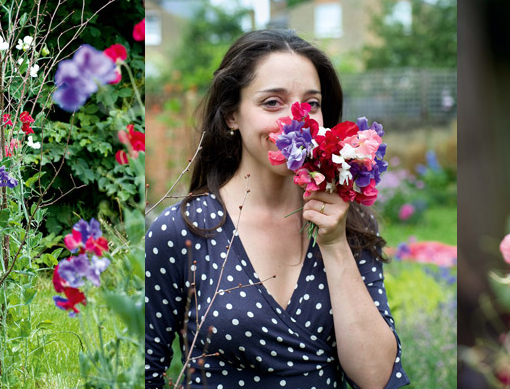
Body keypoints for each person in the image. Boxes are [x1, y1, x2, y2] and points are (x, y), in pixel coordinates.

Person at [137, 30, 409, 388]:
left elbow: (376, 377)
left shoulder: (349, 223)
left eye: (311, 104)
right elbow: (145, 372)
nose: (297, 120)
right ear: (232, 115)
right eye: (272, 103)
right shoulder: (181, 231)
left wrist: (334, 244)